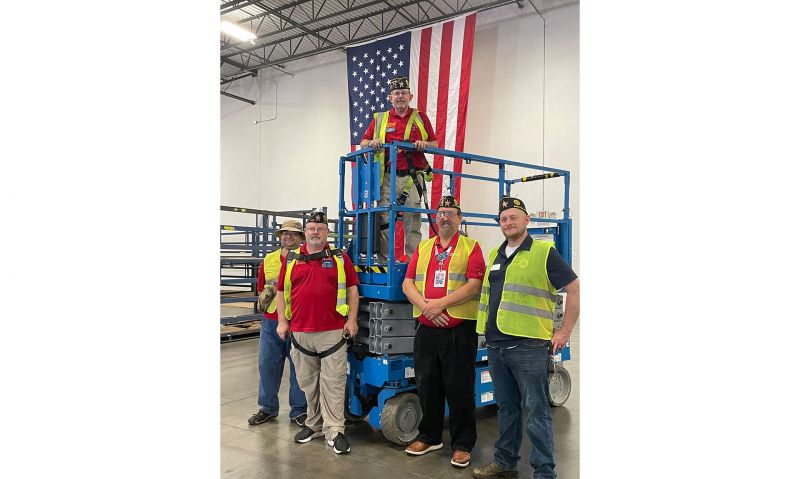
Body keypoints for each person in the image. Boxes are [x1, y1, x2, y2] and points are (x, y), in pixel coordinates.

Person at [472, 196, 580, 479]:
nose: (508, 223)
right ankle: (505, 461)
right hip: (496, 346)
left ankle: (544, 472)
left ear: (526, 220)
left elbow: (575, 288)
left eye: (513, 217)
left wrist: (565, 331)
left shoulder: (544, 252)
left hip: (528, 347)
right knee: (506, 409)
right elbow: (487, 296)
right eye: (504, 219)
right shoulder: (496, 253)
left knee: (536, 411)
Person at [401, 196, 486, 468]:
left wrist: (440, 305)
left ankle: (462, 444)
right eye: (441, 213)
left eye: (451, 213)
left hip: (458, 331)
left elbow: (474, 285)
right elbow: (408, 283)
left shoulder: (471, 247)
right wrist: (426, 307)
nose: (445, 217)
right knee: (427, 385)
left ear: (460, 219)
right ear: (435, 219)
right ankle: (429, 436)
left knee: (459, 388)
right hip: (426, 329)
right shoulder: (424, 247)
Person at [275, 211, 360, 455]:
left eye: (320, 229)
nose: (315, 232)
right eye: (311, 228)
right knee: (307, 383)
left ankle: (335, 430)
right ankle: (315, 424)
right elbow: (281, 292)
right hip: (300, 332)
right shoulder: (292, 259)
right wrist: (282, 322)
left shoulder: (339, 258)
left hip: (332, 332)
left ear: (326, 232)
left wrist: (351, 320)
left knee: (333, 383)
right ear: (306, 232)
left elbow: (353, 290)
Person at [360, 76, 438, 262]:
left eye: (403, 93)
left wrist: (424, 143)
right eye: (396, 93)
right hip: (387, 178)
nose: (400, 96)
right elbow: (363, 143)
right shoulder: (380, 119)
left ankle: (413, 262)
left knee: (413, 220)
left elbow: (435, 144)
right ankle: (385, 261)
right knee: (385, 220)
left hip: (412, 177)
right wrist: (372, 142)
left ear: (410, 96)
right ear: (390, 98)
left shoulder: (420, 118)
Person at [248, 220, 308, 427]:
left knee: (298, 368)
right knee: (267, 365)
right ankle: (267, 408)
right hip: (271, 322)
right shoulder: (270, 259)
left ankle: (299, 410)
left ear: (301, 238)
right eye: (285, 233)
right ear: (280, 237)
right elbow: (261, 286)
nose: (288, 237)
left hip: (298, 321)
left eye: (293, 234)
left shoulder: (307, 259)